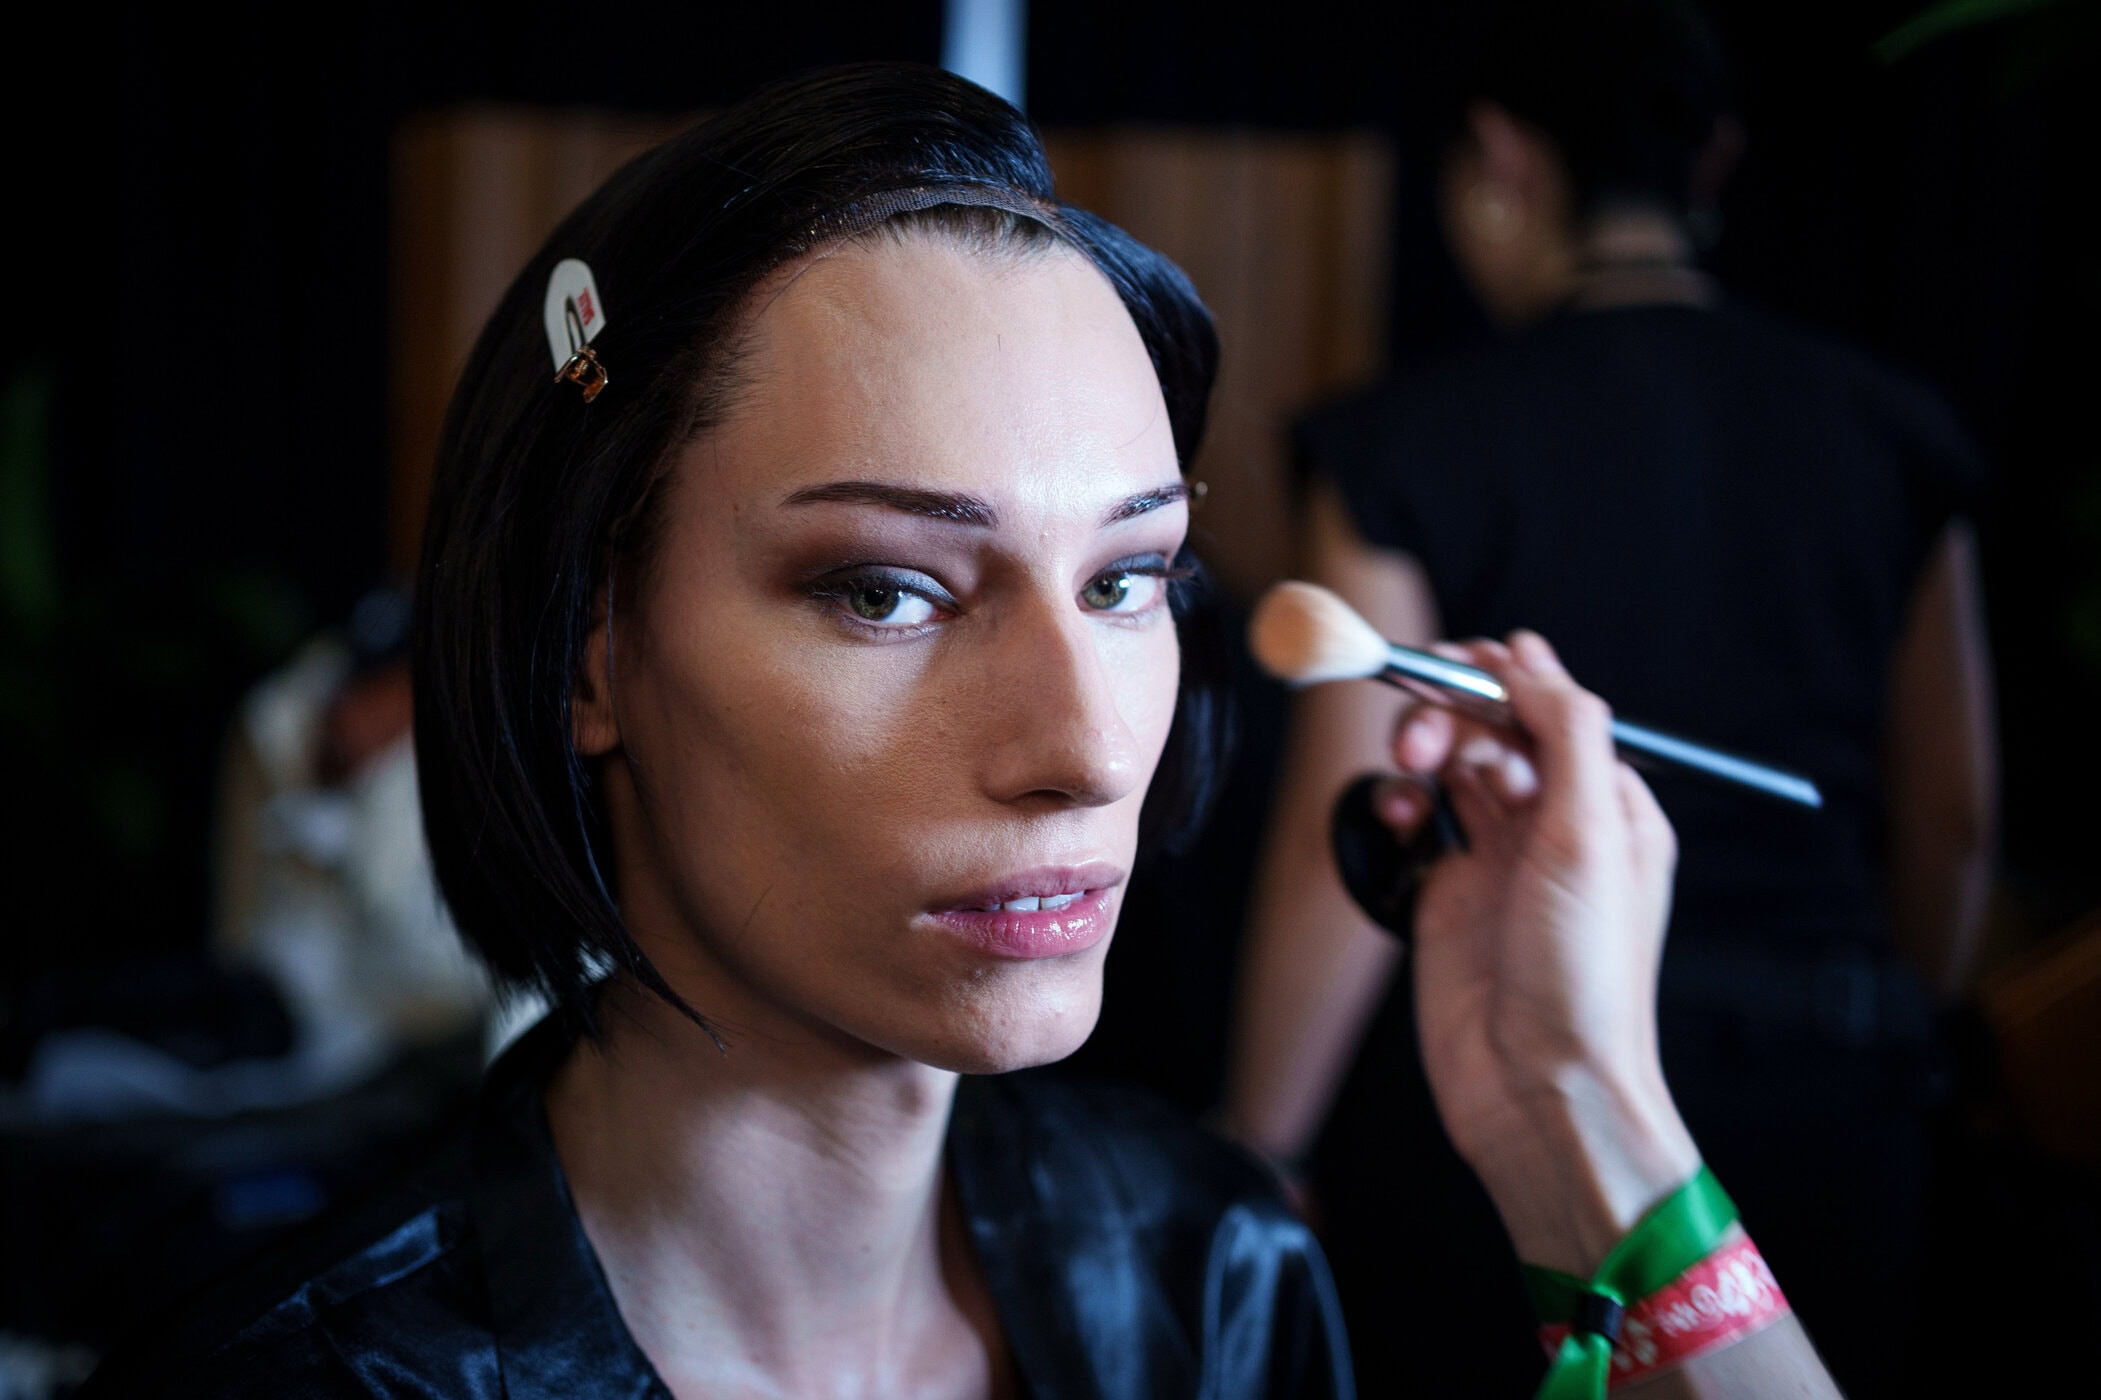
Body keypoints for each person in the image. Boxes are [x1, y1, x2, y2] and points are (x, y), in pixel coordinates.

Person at [83, 63, 1842, 1398]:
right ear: (586, 655)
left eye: (1128, 579)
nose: (1084, 752)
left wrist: (1576, 1115)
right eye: (887, 593)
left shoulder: (1213, 1279)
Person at [1222, 2, 1996, 1394]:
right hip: (1840, 1104)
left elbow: (1351, 824)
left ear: (1500, 160)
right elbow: (1956, 819)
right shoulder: (1890, 431)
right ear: (1713, 160)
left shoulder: (1403, 445)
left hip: (1483, 1130)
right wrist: (1892, 1042)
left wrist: (1259, 1147)